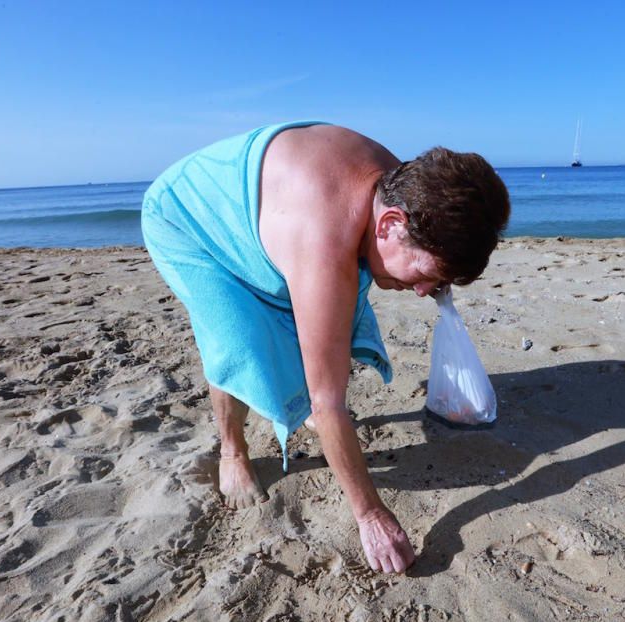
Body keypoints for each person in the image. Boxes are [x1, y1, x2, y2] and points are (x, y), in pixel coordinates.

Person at [141, 121, 509, 573]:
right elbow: (330, 400)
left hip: (278, 204)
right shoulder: (323, 235)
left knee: (325, 320)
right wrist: (370, 514)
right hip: (186, 219)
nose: (423, 292)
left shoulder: (411, 188)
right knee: (241, 337)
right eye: (426, 274)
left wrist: (433, 270)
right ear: (391, 224)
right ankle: (233, 449)